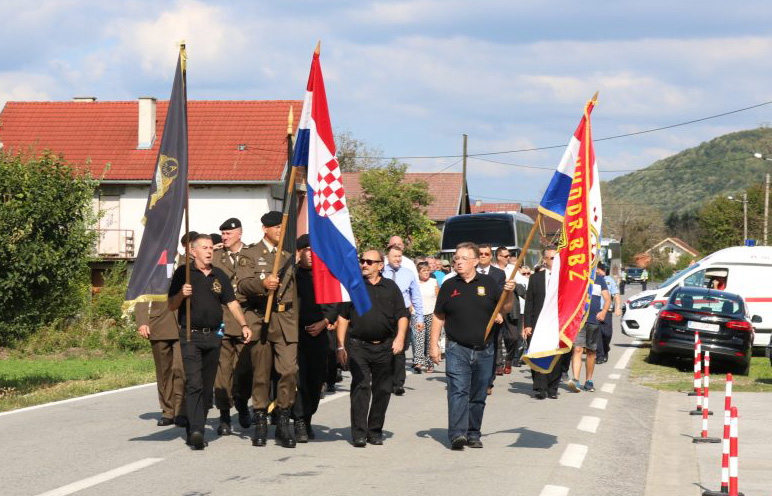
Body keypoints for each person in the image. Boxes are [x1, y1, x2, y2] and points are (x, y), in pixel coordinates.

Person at [168, 234, 252, 450]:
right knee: (194, 383)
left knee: (206, 387)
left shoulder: (219, 275)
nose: (208, 251)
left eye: (210, 248)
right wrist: (181, 294)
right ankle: (196, 430)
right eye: (204, 248)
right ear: (193, 251)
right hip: (190, 335)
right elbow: (171, 305)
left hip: (214, 336)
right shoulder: (183, 273)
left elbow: (232, 303)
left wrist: (243, 325)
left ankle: (196, 425)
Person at [429, 242, 515, 450]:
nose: (458, 262)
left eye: (463, 258)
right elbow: (438, 316)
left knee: (478, 393)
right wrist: (434, 345)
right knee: (458, 390)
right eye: (456, 258)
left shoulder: (489, 283)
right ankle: (457, 433)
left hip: (485, 349)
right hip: (457, 347)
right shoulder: (449, 285)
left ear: (476, 261)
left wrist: (509, 293)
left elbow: (505, 307)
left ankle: (473, 432)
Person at [238, 211, 299, 448]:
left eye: (283, 228)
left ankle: (283, 418)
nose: (280, 232)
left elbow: (294, 293)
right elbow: (242, 285)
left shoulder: (287, 256)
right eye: (276, 228)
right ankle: (261, 419)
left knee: (289, 370)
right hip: (261, 318)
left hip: (285, 321)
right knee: (261, 375)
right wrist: (262, 284)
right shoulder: (250, 254)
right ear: (265, 228)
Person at [336, 249, 409, 447]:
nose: (364, 264)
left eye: (369, 261)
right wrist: (341, 345)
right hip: (358, 346)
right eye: (362, 261)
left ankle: (374, 430)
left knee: (383, 389)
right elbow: (343, 317)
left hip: (385, 346)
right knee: (361, 387)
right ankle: (359, 433)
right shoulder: (354, 286)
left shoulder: (391, 287)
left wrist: (400, 338)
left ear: (380, 265)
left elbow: (402, 315)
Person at [211, 217, 257, 435]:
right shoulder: (216, 255)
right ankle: (224, 415)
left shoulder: (252, 254)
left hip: (247, 317)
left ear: (239, 233)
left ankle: (242, 403)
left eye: (228, 234)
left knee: (245, 370)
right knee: (222, 372)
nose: (224, 237)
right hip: (221, 318)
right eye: (222, 234)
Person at [292, 234, 339, 442]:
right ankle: (300, 421)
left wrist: (324, 322)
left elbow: (335, 304)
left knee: (315, 380)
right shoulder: (291, 276)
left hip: (319, 334)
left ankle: (308, 417)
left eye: (314, 251)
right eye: (307, 251)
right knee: (299, 380)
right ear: (299, 253)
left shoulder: (325, 276)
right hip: (296, 335)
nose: (311, 255)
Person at [523, 246, 567, 400]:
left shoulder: (565, 278)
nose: (556, 261)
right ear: (545, 260)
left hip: (557, 323)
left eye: (557, 258)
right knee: (537, 353)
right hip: (538, 323)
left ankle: (553, 387)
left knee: (556, 355)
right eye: (553, 258)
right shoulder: (536, 278)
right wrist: (527, 324)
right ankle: (540, 387)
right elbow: (529, 302)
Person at [135, 300, 187, 428]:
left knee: (180, 369)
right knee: (163, 371)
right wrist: (142, 322)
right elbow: (142, 296)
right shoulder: (151, 278)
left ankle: (182, 410)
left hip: (184, 323)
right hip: (159, 323)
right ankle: (168, 410)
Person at [382, 244, 423, 393]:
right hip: (384, 314)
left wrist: (419, 318)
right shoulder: (381, 272)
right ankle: (385, 380)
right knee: (385, 348)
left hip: (403, 314)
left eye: (400, 256)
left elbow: (416, 297)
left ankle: (398, 383)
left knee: (399, 349)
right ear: (388, 257)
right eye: (395, 256)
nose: (398, 259)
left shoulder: (408, 273)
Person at [567, 267, 611, 393]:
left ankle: (589, 381)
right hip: (579, 321)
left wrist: (603, 312)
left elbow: (607, 299)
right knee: (578, 348)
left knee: (591, 351)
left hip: (594, 320)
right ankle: (575, 379)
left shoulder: (599, 279)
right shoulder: (576, 276)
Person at [595, 263, 621, 365]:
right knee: (597, 335)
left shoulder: (609, 280)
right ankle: (600, 356)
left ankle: (606, 349)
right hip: (596, 311)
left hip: (607, 311)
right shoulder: (593, 279)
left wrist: (618, 307)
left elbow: (616, 295)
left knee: (607, 334)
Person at [416, 261, 439, 373]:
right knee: (419, 338)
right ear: (419, 272)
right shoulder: (415, 282)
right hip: (418, 313)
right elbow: (412, 296)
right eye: (423, 271)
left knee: (430, 339)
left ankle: (430, 363)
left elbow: (438, 297)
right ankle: (419, 362)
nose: (426, 273)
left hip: (431, 312)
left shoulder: (433, 281)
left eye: (427, 270)